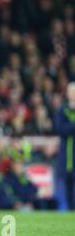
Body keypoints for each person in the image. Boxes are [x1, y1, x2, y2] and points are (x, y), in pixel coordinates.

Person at [53, 82, 75, 210]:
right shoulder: (62, 110)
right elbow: (59, 129)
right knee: (68, 183)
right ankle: (71, 210)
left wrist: (69, 127)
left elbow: (64, 129)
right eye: (72, 92)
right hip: (66, 154)